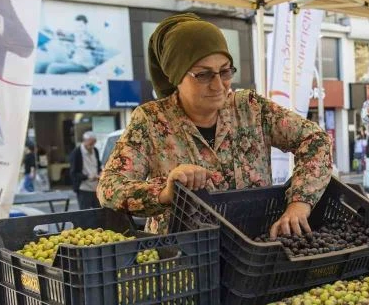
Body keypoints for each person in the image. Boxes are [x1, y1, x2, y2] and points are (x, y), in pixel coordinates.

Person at [97, 13, 333, 236]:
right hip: (184, 259)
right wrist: (164, 192)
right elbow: (109, 187)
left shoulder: (251, 108)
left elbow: (314, 139)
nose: (219, 85)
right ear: (176, 76)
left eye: (225, 71)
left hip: (253, 249)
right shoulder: (151, 121)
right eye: (204, 75)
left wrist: (300, 203)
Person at [69, 131, 102, 210]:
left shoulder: (95, 150)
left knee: (99, 212)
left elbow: (98, 166)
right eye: (90, 144)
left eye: (94, 143)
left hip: (96, 187)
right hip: (83, 188)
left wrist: (100, 172)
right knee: (85, 214)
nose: (92, 146)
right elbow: (73, 173)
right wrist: (87, 177)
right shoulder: (76, 153)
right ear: (84, 141)